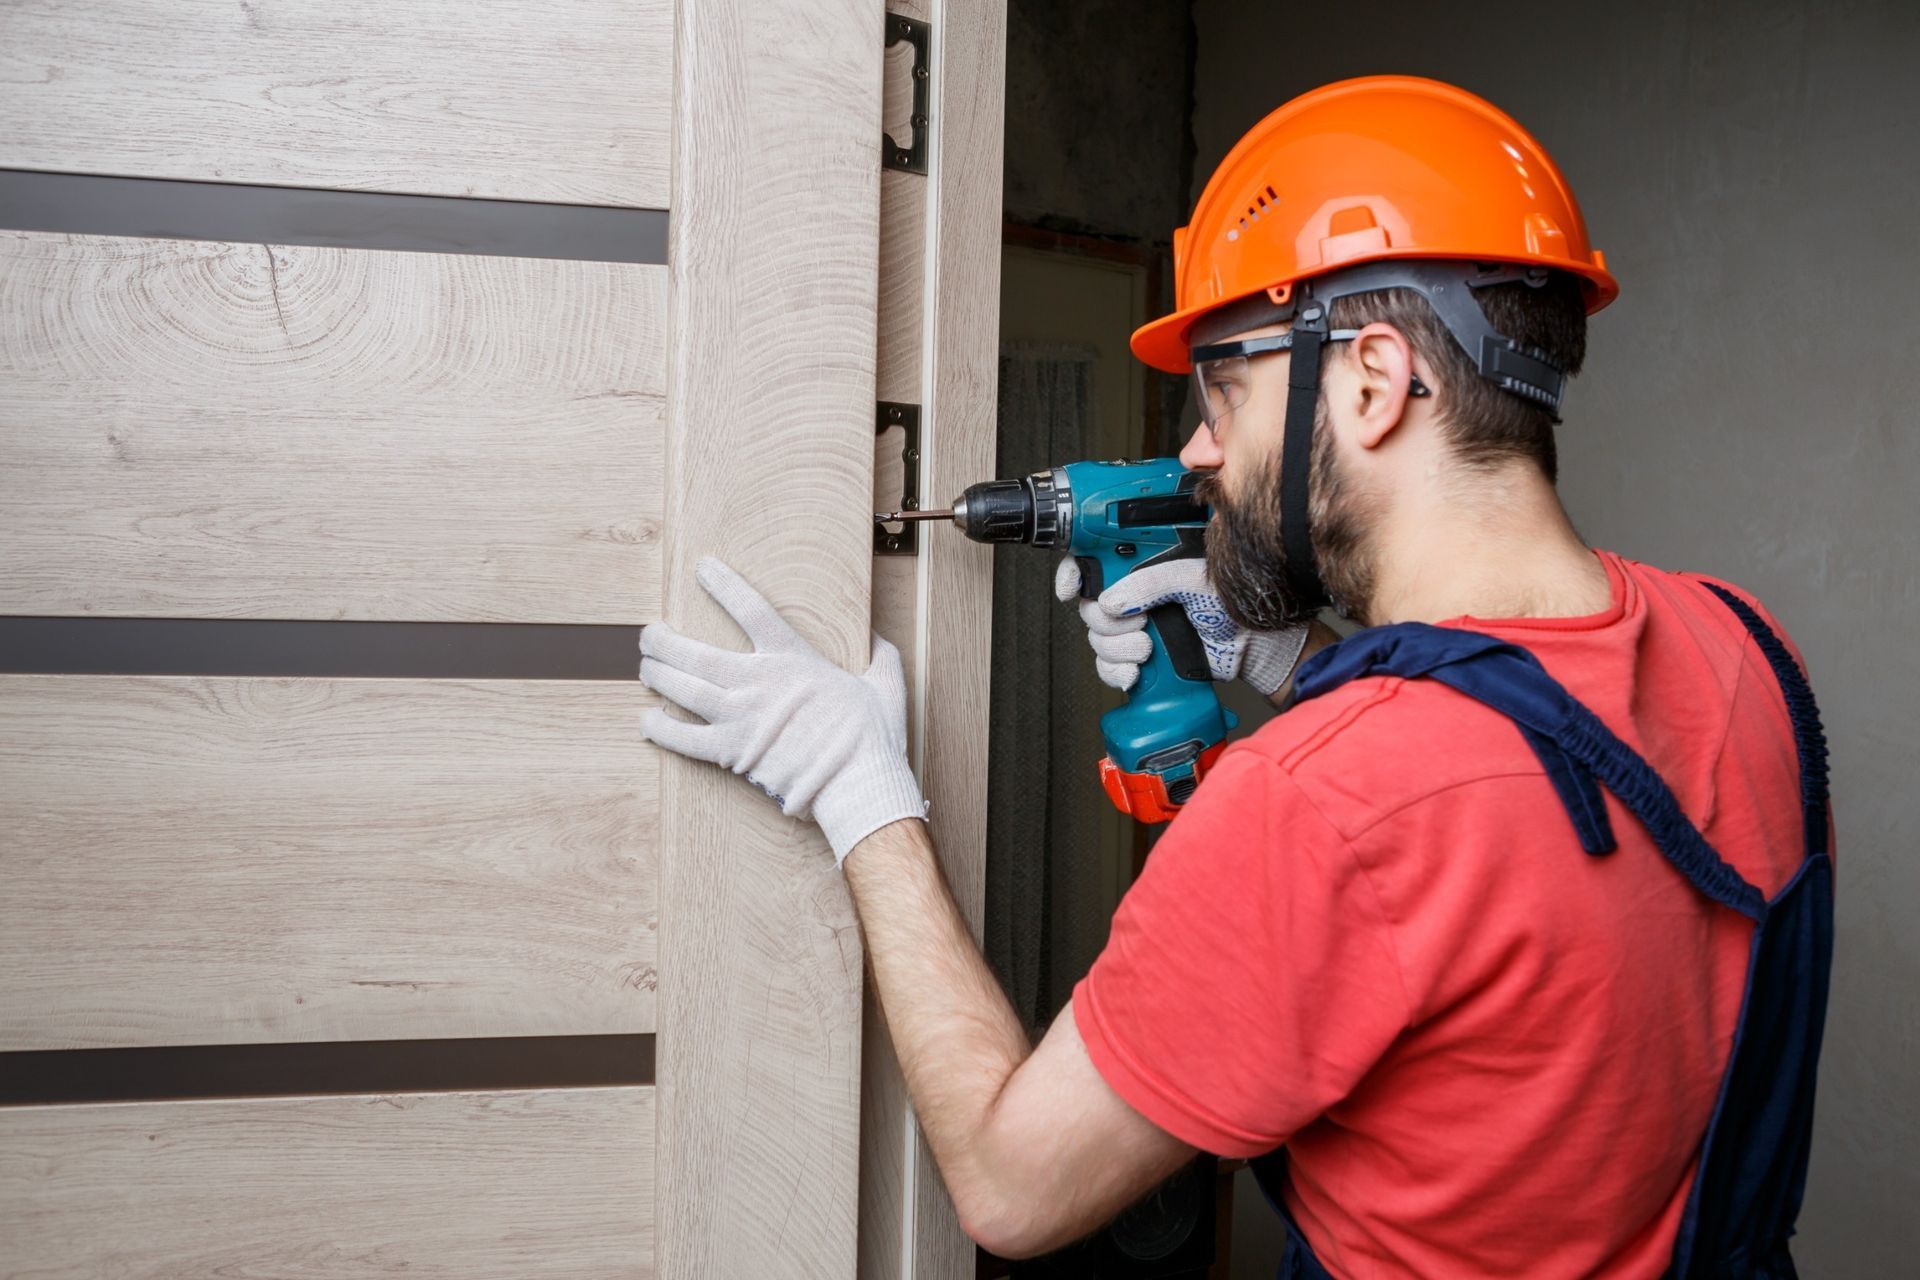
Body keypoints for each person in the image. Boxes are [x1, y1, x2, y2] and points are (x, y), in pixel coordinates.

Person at [638, 76, 1833, 1278]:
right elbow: (1531, 799)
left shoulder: (1319, 806)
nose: (1199, 446)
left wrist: (861, 793)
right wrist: (1307, 663)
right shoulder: (1743, 647)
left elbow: (1008, 1183)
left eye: (1224, 386)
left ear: (1370, 380)